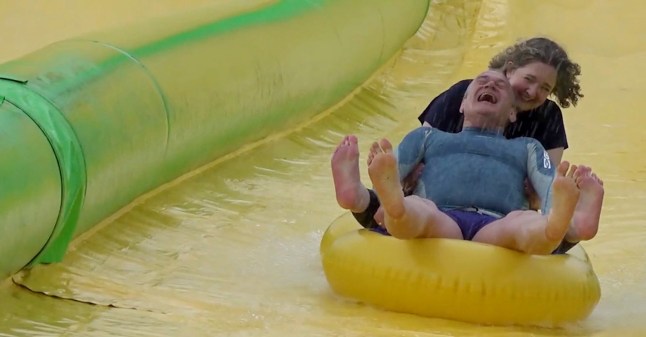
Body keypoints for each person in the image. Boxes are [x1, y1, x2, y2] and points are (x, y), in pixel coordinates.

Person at [334, 37, 602, 253]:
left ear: (512, 114)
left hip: (499, 218)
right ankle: (379, 201)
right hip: (440, 210)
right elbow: (407, 166)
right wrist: (398, 187)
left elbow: (547, 183)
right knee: (419, 208)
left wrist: (547, 206)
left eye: (545, 87)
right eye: (529, 79)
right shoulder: (449, 108)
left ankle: (559, 227)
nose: (533, 92)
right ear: (463, 104)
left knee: (522, 223)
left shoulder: (534, 138)